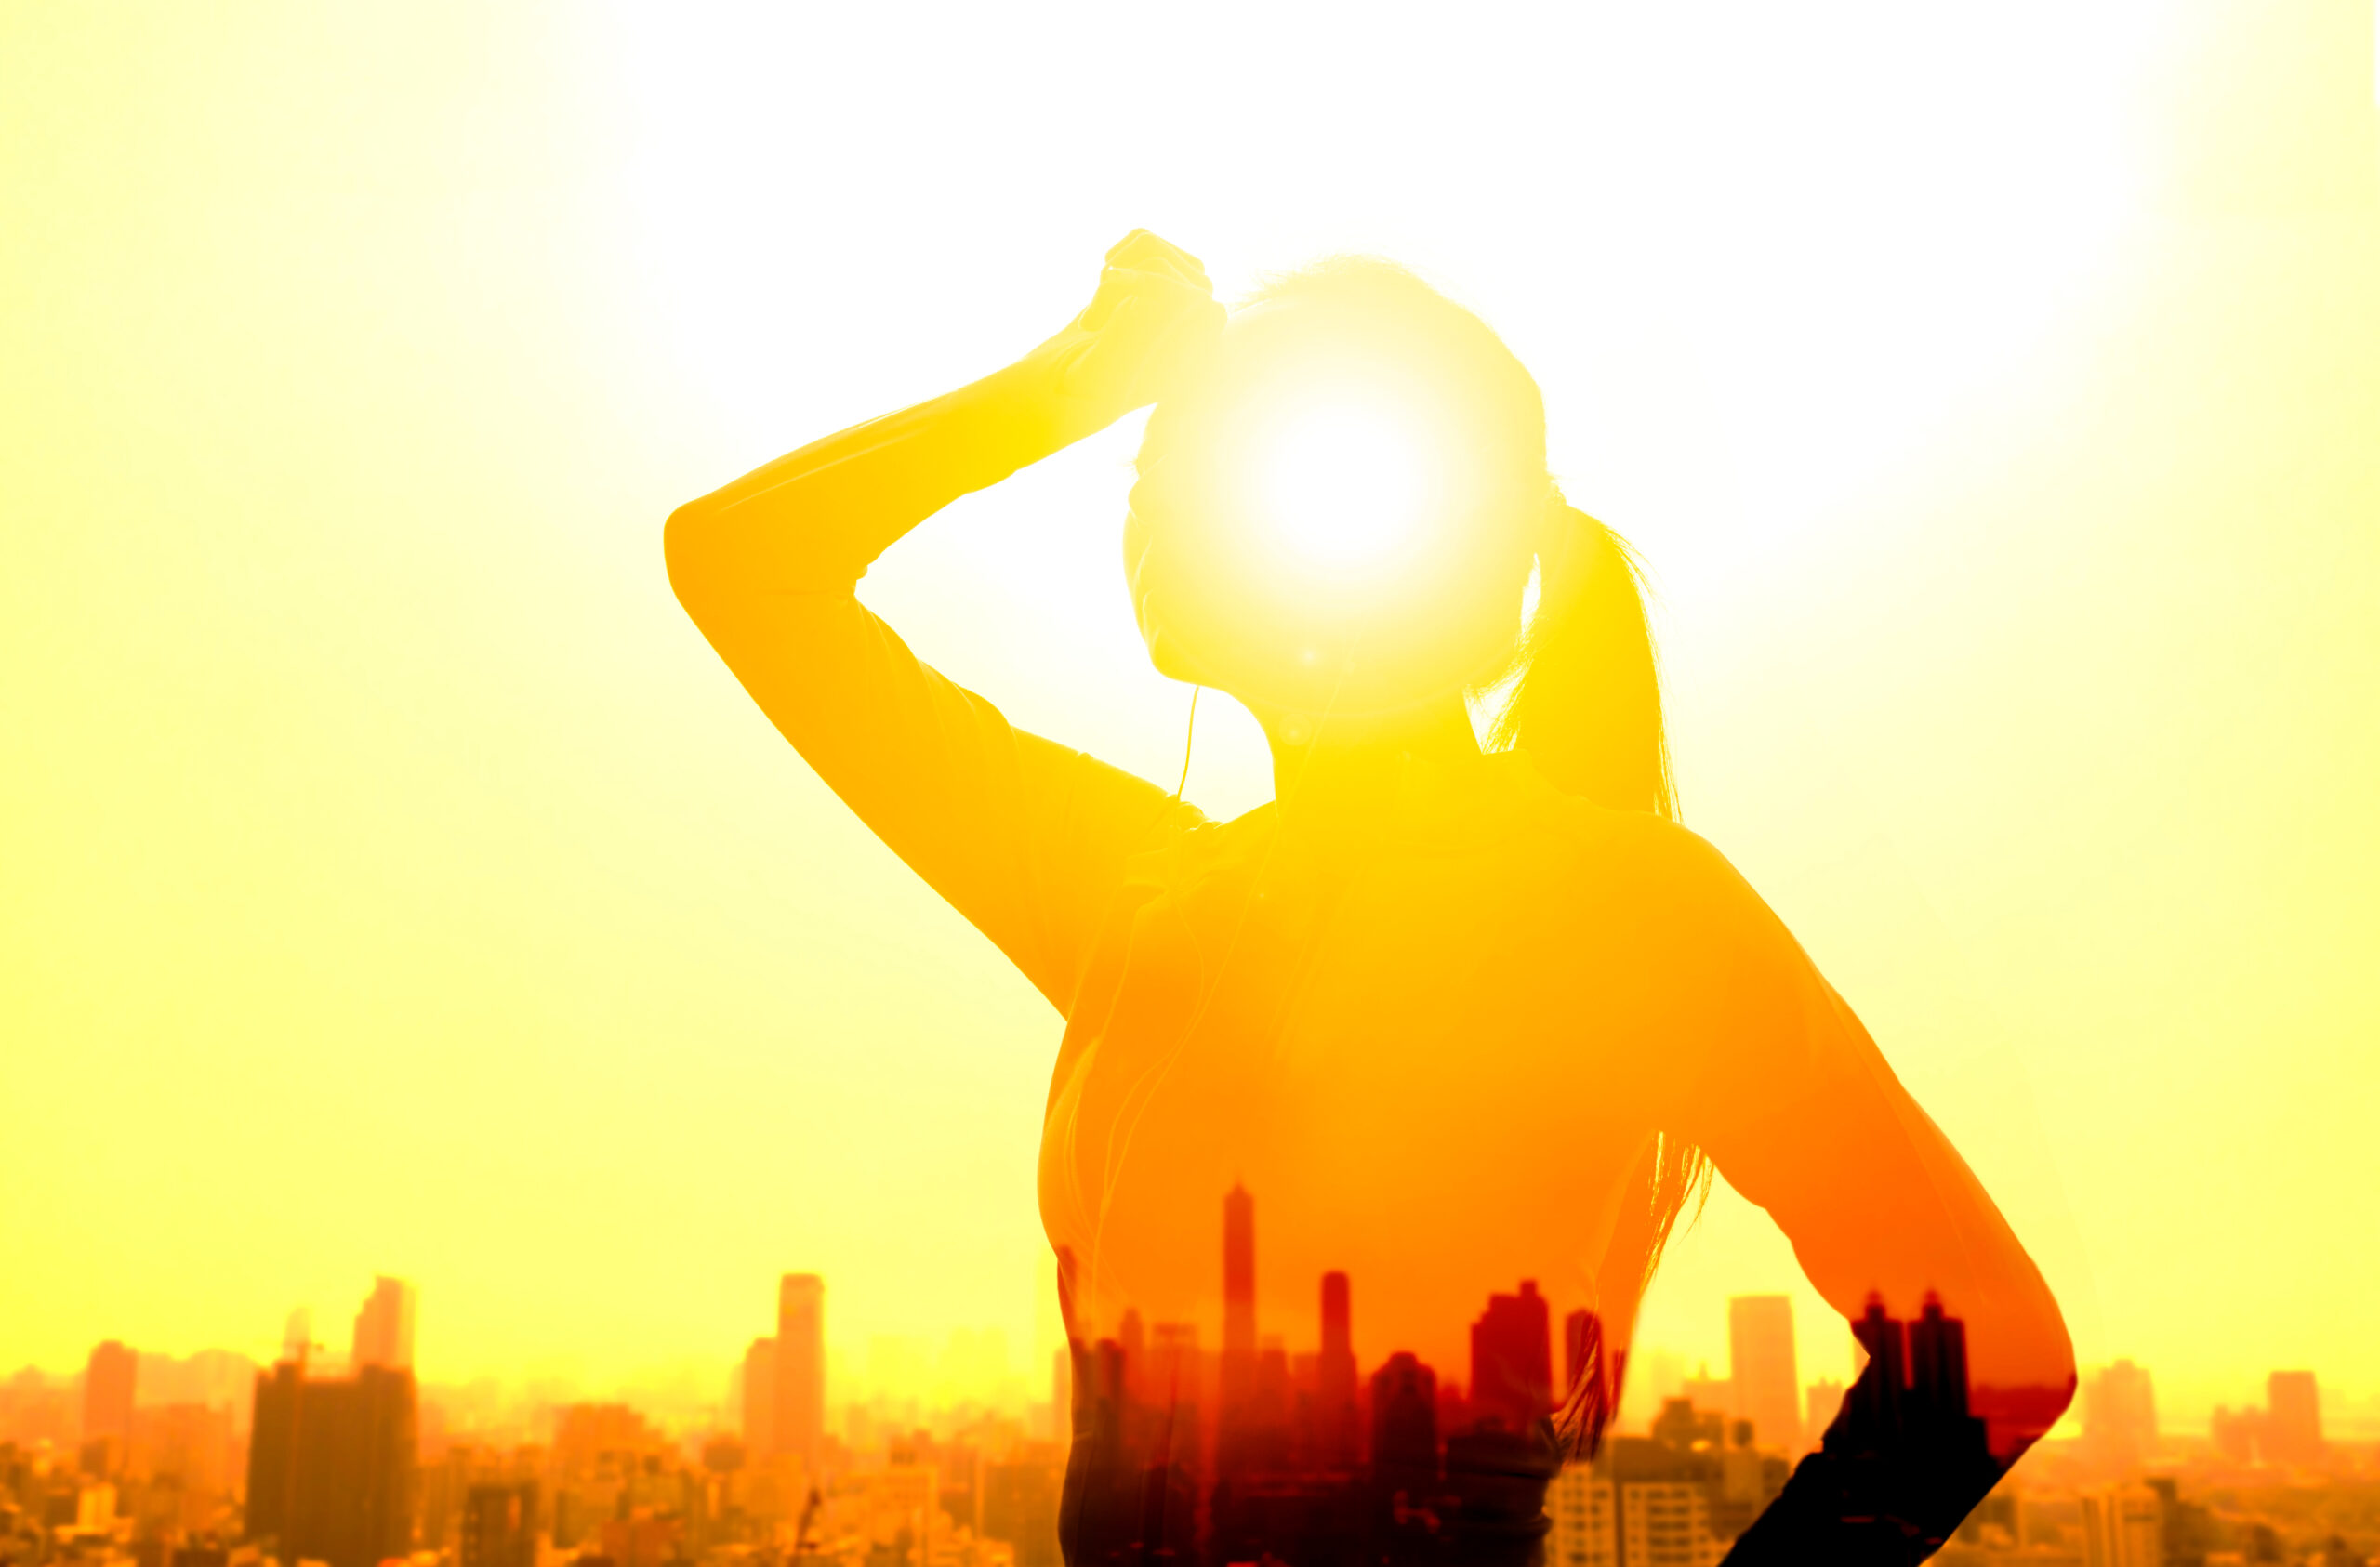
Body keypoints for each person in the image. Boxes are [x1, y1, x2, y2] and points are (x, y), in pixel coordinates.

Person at [665, 231, 2075, 1566]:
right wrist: (1067, 381)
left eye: (1193, 447)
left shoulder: (1619, 908)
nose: (1141, 483)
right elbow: (739, 563)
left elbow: (1987, 1351)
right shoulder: (1138, 888)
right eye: (1146, 449)